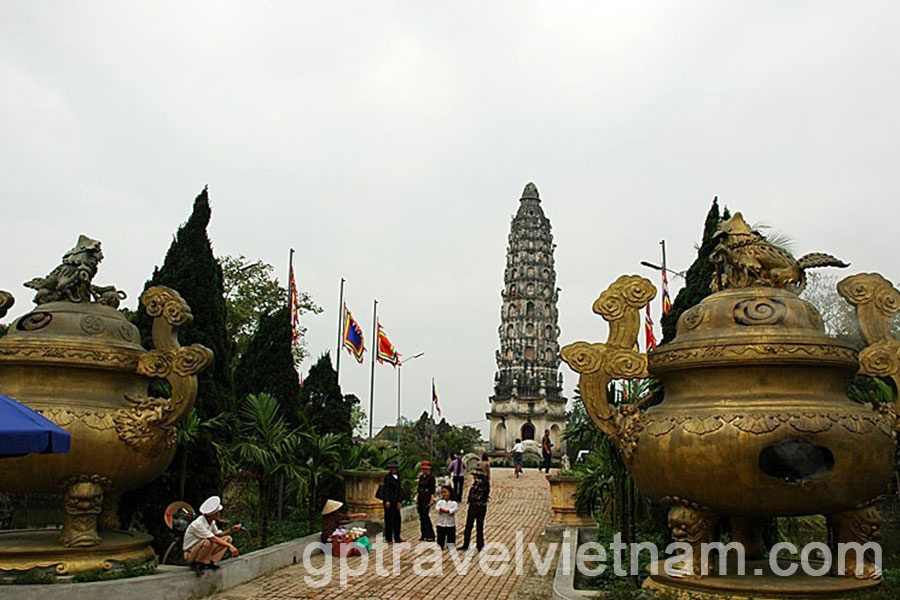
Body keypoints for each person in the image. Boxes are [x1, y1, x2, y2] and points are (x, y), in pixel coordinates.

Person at [182, 496, 241, 573]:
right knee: (207, 542)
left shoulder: (211, 522)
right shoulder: (198, 524)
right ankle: (198, 563)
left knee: (227, 539)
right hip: (191, 554)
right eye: (218, 513)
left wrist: (231, 530)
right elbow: (213, 538)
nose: (219, 514)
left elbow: (219, 535)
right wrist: (230, 546)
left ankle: (210, 561)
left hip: (202, 549)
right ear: (214, 514)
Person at [458, 466, 489, 552]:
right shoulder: (486, 483)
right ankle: (480, 545)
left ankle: (466, 544)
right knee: (480, 526)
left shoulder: (478, 483)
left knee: (469, 526)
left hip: (475, 506)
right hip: (482, 506)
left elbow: (475, 496)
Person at [381, 462, 404, 543]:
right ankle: (389, 538)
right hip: (389, 501)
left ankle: (397, 537)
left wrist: (399, 501)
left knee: (397, 519)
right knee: (389, 520)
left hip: (396, 501)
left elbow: (399, 490)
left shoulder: (398, 477)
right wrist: (386, 500)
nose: (393, 469)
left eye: (394, 468)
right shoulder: (387, 478)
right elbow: (385, 490)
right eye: (392, 468)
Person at [416, 461, 436, 542]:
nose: (425, 471)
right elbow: (418, 488)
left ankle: (430, 534)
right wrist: (417, 497)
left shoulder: (431, 478)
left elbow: (432, 490)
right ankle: (423, 534)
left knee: (426, 515)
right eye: (424, 469)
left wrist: (432, 499)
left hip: (427, 497)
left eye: (426, 469)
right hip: (421, 496)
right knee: (421, 516)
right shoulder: (421, 477)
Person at [434, 485, 458, 550]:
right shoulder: (440, 502)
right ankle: (440, 545)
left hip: (450, 523)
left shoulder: (453, 503)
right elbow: (437, 508)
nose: (444, 494)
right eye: (443, 493)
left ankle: (450, 545)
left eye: (445, 492)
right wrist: (441, 509)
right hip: (441, 523)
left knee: (451, 536)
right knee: (440, 536)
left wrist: (448, 511)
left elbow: (454, 509)